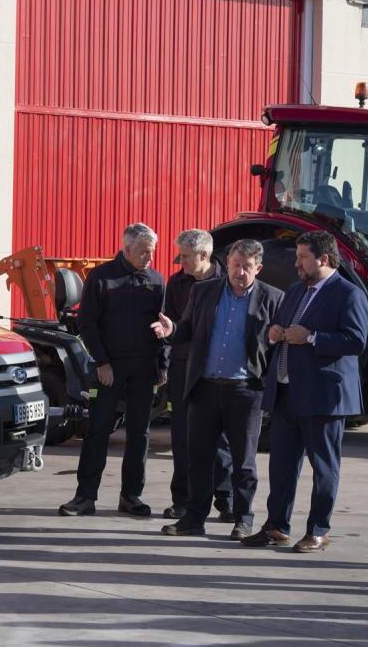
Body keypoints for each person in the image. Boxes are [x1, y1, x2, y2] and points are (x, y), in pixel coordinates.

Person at [240, 231, 368, 553]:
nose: (296, 263)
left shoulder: (348, 294)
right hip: (287, 393)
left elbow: (355, 341)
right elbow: (284, 330)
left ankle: (318, 530)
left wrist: (312, 338)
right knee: (281, 466)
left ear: (323, 259)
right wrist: (274, 334)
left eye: (302, 257)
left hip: (322, 397)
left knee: (324, 467)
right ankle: (276, 526)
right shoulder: (295, 291)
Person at [150, 239, 283, 540]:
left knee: (243, 462)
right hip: (205, 388)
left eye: (247, 267)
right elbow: (186, 329)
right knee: (198, 458)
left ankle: (243, 518)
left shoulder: (273, 299)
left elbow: (276, 348)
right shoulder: (203, 292)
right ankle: (193, 518)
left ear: (258, 268)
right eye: (235, 265)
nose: (239, 272)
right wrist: (171, 331)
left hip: (246, 392)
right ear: (228, 264)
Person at [59, 223, 166, 517]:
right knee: (98, 431)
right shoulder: (102, 278)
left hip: (144, 368)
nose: (149, 258)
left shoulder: (156, 281)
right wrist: (102, 362)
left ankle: (131, 496)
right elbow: (87, 323)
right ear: (127, 248)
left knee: (139, 434)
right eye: (144, 252)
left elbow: (163, 326)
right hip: (110, 368)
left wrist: (162, 365)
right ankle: (85, 497)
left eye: (152, 252)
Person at [161, 229, 234, 521]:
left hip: (216, 370)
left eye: (187, 257)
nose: (182, 263)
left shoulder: (228, 283)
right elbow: (170, 326)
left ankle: (226, 499)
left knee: (221, 440)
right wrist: (164, 363)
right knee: (182, 436)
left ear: (204, 255)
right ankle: (183, 499)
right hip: (183, 368)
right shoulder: (177, 283)